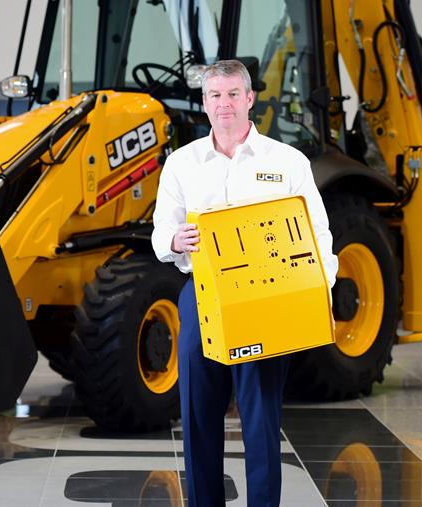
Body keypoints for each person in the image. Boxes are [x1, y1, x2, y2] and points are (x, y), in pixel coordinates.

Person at [151, 59, 338, 506]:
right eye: (215, 95)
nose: (224, 104)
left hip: (267, 300)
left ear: (250, 99)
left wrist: (320, 291)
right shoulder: (182, 164)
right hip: (202, 295)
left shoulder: (286, 161)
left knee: (260, 418)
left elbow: (318, 231)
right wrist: (175, 239)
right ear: (204, 103)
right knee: (198, 414)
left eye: (234, 94)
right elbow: (161, 233)